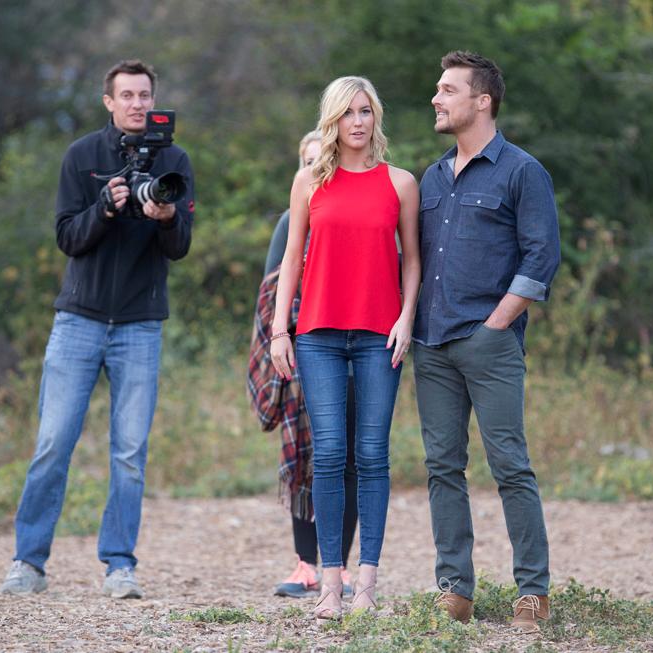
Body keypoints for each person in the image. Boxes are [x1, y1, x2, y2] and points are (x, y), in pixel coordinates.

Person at [0, 59, 195, 599]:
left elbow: (180, 248)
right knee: (52, 443)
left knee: (129, 453)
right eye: (126, 95)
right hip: (79, 320)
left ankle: (119, 565)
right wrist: (105, 208)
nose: (136, 103)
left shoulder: (175, 159)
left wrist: (167, 218)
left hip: (140, 324)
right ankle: (28, 562)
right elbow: (67, 237)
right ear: (108, 101)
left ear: (154, 101)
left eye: (144, 95)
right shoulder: (82, 156)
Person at [412, 51, 560, 633]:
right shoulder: (431, 176)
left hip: (489, 341)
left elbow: (542, 255)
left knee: (510, 466)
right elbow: (418, 261)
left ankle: (533, 593)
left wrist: (498, 322)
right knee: (442, 466)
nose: (436, 99)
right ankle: (454, 591)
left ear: (482, 101)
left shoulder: (522, 171)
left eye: (447, 90)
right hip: (432, 343)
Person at [270, 76, 420, 621]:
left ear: (376, 117)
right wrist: (279, 329)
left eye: (367, 111)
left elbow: (412, 259)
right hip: (318, 335)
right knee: (329, 456)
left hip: (381, 334)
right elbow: (291, 258)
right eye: (349, 113)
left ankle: (367, 584)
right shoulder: (309, 181)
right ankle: (329, 583)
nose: (359, 121)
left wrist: (406, 316)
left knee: (373, 456)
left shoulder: (400, 182)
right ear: (332, 120)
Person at [258, 131, 357, 599]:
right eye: (311, 161)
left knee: (352, 457)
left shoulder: (363, 207)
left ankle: (341, 566)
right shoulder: (289, 220)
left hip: (356, 345)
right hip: (304, 350)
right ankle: (305, 565)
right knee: (304, 458)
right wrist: (290, 334)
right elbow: (272, 288)